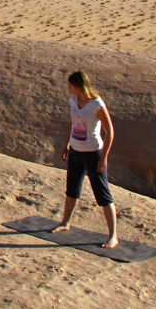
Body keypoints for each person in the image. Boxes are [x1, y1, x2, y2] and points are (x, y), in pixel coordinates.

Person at [51, 70, 118, 248]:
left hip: (93, 153)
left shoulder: (96, 104)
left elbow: (110, 131)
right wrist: (67, 145)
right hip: (75, 152)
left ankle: (113, 236)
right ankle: (66, 222)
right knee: (72, 189)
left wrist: (104, 158)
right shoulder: (73, 100)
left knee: (102, 193)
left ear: (79, 86)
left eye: (71, 85)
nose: (69, 88)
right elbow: (73, 124)